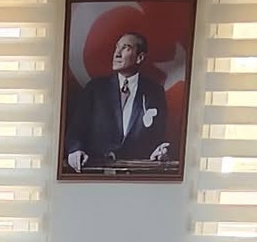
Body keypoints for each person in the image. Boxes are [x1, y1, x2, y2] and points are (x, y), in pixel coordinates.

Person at [64, 30, 174, 172]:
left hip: (135, 175)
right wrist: (75, 150)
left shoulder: (154, 92)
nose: (117, 53)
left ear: (140, 57)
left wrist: (159, 151)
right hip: (97, 172)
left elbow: (158, 137)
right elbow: (76, 129)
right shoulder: (95, 88)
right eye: (117, 47)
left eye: (125, 48)